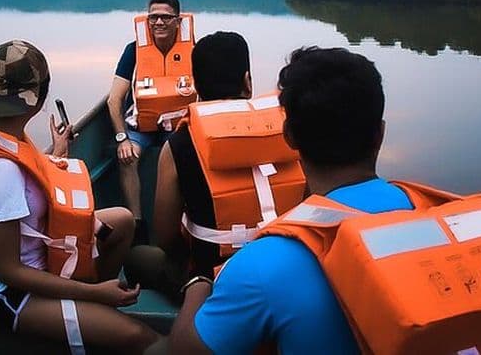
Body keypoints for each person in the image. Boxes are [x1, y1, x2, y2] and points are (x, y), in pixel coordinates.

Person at [170, 46, 413, 354]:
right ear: (380, 134)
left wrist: (198, 285)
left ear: (289, 137)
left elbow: (184, 351)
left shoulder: (262, 263)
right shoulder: (435, 212)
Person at [0, 40, 159, 353]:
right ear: (39, 98)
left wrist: (58, 151)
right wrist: (98, 294)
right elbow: (9, 272)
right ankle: (94, 303)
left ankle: (92, 309)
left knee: (122, 222)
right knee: (142, 338)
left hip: (32, 252)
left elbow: (30, 172)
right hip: (3, 292)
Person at [125, 31, 255, 297]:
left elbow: (165, 237)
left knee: (137, 257)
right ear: (247, 82)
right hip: (274, 273)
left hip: (206, 279)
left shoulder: (179, 143)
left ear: (195, 86)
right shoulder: (285, 133)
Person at [107, 0, 195, 244]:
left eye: (165, 18)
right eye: (153, 17)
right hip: (141, 126)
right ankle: (137, 224)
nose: (158, 23)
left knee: (184, 157)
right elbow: (114, 100)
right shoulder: (133, 51)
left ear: (178, 21)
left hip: (178, 124)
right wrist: (122, 138)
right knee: (126, 158)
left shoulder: (193, 49)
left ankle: (183, 221)